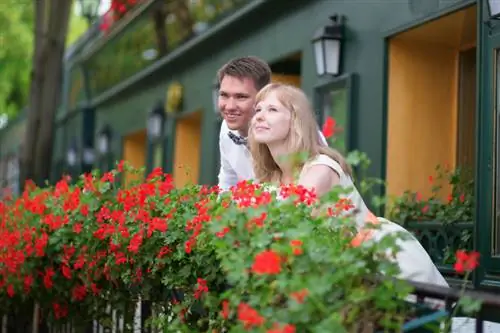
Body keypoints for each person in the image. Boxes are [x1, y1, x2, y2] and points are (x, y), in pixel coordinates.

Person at [248, 82, 448, 287]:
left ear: (296, 121)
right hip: (342, 272)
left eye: (272, 109)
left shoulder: (320, 168)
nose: (259, 116)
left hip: (381, 261)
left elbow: (286, 221)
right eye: (258, 110)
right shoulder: (272, 179)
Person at [216, 56, 327, 191]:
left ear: (263, 96)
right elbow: (228, 181)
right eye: (224, 95)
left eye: (241, 97)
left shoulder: (300, 131)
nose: (229, 106)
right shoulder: (226, 130)